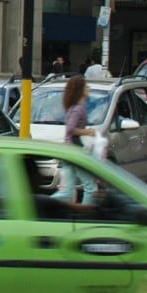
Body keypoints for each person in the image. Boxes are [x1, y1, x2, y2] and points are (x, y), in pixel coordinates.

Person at [51, 75, 97, 204]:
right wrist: (88, 132)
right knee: (90, 187)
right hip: (75, 150)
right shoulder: (78, 109)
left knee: (67, 191)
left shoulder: (73, 107)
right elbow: (70, 129)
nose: (88, 88)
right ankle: (86, 217)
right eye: (86, 86)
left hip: (68, 150)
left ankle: (41, 205)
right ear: (80, 90)